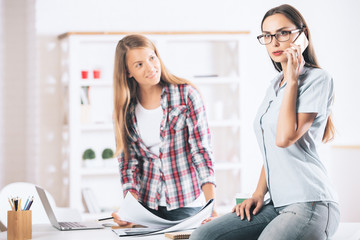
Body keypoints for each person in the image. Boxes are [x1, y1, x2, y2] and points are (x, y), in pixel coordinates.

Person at [190, 4, 339, 240]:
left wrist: (292, 81)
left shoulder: (318, 79)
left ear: (303, 36)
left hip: (310, 202)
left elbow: (283, 138)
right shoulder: (275, 84)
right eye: (267, 36)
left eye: (283, 33)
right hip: (276, 203)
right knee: (204, 235)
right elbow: (270, 147)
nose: (275, 42)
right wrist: (258, 193)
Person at [110, 34, 217, 225]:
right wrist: (130, 210)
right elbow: (128, 164)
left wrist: (212, 207)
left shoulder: (186, 95)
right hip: (145, 207)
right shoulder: (125, 111)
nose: (151, 68)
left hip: (186, 205)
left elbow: (201, 152)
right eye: (139, 64)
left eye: (152, 58)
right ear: (128, 72)